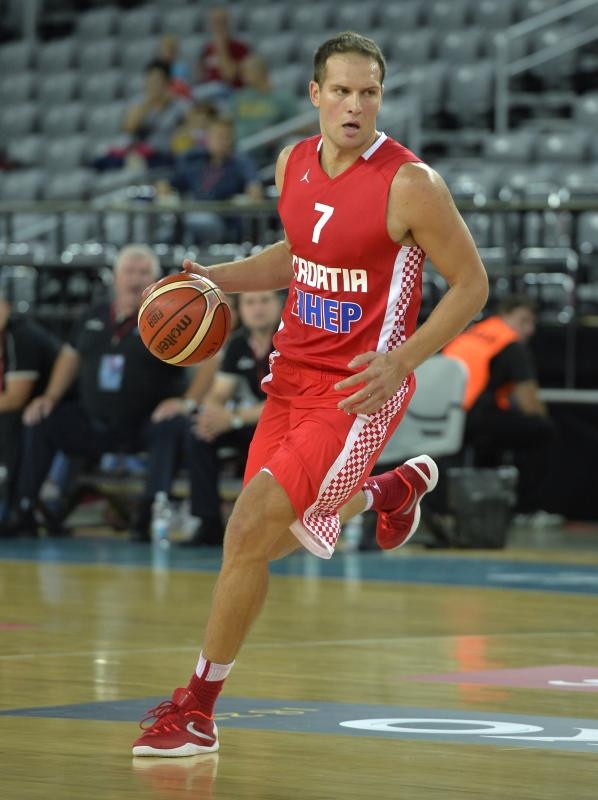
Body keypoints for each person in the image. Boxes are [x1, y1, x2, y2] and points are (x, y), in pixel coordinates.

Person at [132, 31, 488, 757]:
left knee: (249, 526)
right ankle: (389, 494)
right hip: (290, 379)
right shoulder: (292, 162)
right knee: (259, 544)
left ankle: (197, 709)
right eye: (343, 90)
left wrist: (402, 361)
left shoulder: (411, 184)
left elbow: (473, 287)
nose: (355, 105)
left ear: (380, 99)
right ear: (315, 95)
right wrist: (220, 278)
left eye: (370, 92)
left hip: (360, 389)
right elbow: (299, 253)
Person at [1, 245, 202, 539]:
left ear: (157, 280)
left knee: (171, 426)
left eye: (143, 272)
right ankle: (24, 509)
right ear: (115, 278)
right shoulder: (93, 314)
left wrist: (187, 402)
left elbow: (210, 361)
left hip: (144, 422)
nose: (135, 279)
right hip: (93, 422)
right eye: (129, 272)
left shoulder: (173, 317)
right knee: (41, 420)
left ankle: (146, 517)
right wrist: (51, 397)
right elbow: (70, 356)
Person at [182, 289, 283, 546]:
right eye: (250, 302)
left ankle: (274, 525)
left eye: (264, 300)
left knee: (274, 439)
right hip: (252, 423)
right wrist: (212, 415)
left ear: (279, 304)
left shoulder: (292, 342)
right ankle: (209, 523)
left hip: (286, 425)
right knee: (199, 434)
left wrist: (234, 418)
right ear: (241, 310)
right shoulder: (239, 343)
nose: (257, 308)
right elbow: (219, 392)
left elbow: (287, 403)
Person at [443, 294, 557, 514]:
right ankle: (528, 509)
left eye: (532, 323)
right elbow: (529, 404)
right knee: (544, 429)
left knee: (498, 427)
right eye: (524, 321)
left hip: (442, 418)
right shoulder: (510, 344)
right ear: (504, 316)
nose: (529, 330)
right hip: (473, 420)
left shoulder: (470, 333)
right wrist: (541, 414)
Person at [0, 283, 70, 525]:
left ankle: (12, 507)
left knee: (12, 421)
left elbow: (15, 398)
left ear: (6, 308)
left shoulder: (21, 335)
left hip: (61, 406)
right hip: (29, 407)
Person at [156, 116, 263, 246]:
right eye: (218, 136)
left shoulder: (240, 163)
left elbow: (255, 190)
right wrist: (165, 193)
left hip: (223, 220)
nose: (223, 141)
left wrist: (246, 198)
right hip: (191, 213)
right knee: (166, 230)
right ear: (208, 139)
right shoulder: (196, 162)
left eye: (227, 137)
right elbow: (168, 182)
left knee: (189, 223)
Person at [231, 54, 299, 166]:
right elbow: (228, 121)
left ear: (261, 72)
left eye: (247, 71)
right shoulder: (240, 97)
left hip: (265, 152)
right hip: (236, 148)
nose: (242, 75)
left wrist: (277, 133)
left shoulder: (281, 97)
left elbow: (301, 125)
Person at [193, 6, 250, 102]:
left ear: (228, 23)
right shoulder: (207, 48)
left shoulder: (240, 47)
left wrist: (222, 47)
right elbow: (199, 77)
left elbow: (230, 75)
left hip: (231, 93)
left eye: (222, 22)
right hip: (210, 94)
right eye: (215, 22)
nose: (218, 26)